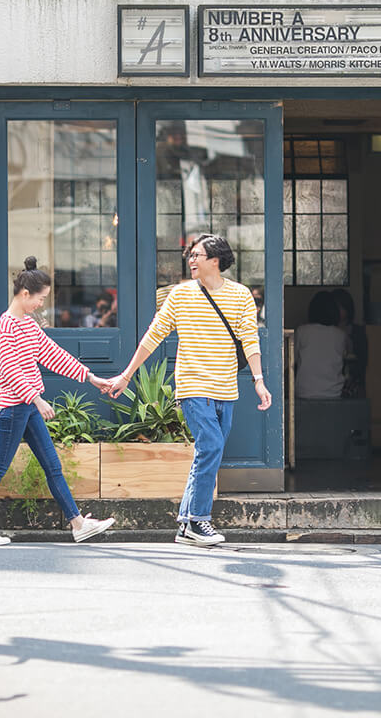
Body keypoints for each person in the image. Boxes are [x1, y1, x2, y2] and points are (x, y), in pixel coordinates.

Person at [107, 234, 272, 547]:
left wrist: (258, 380)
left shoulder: (240, 296)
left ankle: (185, 526)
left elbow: (250, 340)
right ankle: (199, 520)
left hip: (226, 387)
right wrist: (127, 375)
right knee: (210, 446)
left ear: (216, 260)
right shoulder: (180, 295)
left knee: (208, 451)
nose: (191, 261)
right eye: (190, 255)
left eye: (197, 255)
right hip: (193, 383)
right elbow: (153, 336)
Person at [0, 257, 117, 547]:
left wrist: (91, 377)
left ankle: (78, 524)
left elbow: (54, 354)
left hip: (26, 408)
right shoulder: (6, 326)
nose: (42, 305)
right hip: (14, 409)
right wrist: (37, 400)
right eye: (40, 299)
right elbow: (9, 371)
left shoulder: (29, 325)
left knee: (52, 466)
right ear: (25, 294)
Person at [294, 291, 348, 399]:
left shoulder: (302, 331)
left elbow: (293, 360)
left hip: (304, 391)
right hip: (334, 392)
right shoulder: (340, 335)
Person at [331, 288, 367, 397]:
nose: (337, 310)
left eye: (340, 307)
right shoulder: (326, 332)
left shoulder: (357, 332)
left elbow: (363, 360)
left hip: (353, 379)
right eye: (334, 307)